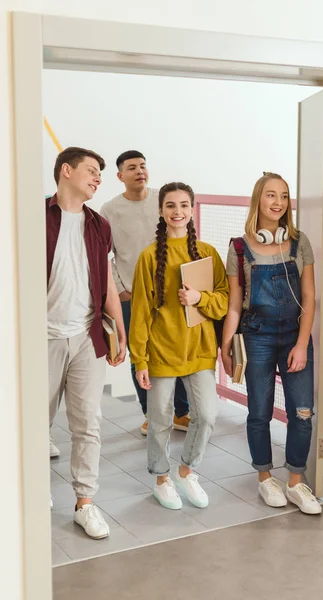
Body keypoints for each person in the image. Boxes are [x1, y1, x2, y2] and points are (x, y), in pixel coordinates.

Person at [222, 172, 322, 515]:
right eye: (270, 195)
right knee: (260, 412)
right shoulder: (238, 247)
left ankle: (296, 481)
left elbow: (309, 297)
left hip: (294, 336)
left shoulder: (299, 243)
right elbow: (235, 303)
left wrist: (301, 343)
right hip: (257, 336)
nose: (278, 202)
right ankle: (265, 477)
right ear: (258, 200)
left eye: (283, 196)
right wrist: (226, 346)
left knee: (303, 412)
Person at [130, 182, 228, 510]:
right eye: (170, 205)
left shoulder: (208, 253)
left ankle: (187, 470)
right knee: (159, 418)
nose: (178, 212)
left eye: (184, 205)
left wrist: (200, 298)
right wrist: (139, 359)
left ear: (192, 209)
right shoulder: (147, 258)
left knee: (208, 414)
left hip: (198, 349)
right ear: (161, 211)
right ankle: (161, 478)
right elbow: (141, 312)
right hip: (161, 351)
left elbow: (224, 301)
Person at [47, 147, 126, 538]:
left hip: (86, 336)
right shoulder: (35, 217)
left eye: (100, 173)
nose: (98, 178)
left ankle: (85, 502)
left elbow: (108, 280)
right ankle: (33, 490)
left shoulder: (99, 225)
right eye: (92, 171)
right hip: (40, 338)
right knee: (33, 424)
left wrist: (119, 328)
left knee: (88, 424)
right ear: (66, 171)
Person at [100, 151, 190, 435]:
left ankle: (180, 413)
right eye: (132, 168)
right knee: (139, 354)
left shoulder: (161, 202)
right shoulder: (109, 210)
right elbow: (106, 255)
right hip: (132, 294)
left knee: (174, 348)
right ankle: (151, 415)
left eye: (143, 166)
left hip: (169, 292)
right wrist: (122, 288)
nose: (140, 171)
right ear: (120, 176)